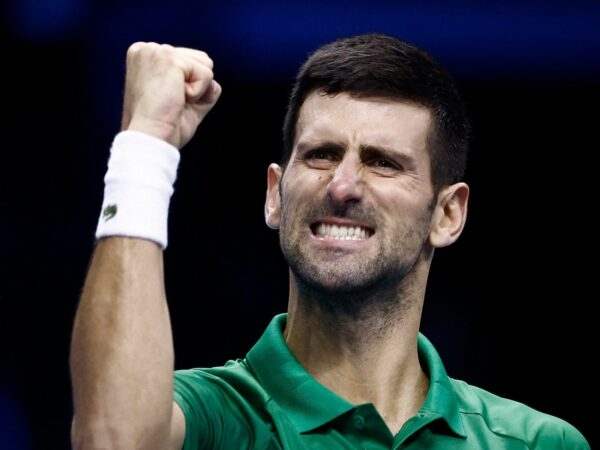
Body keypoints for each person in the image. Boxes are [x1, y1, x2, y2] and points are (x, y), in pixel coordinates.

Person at [69, 33, 590, 450]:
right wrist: (145, 145)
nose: (342, 186)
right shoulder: (216, 418)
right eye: (320, 154)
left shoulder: (535, 442)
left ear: (448, 214)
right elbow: (113, 439)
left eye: (383, 162)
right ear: (275, 195)